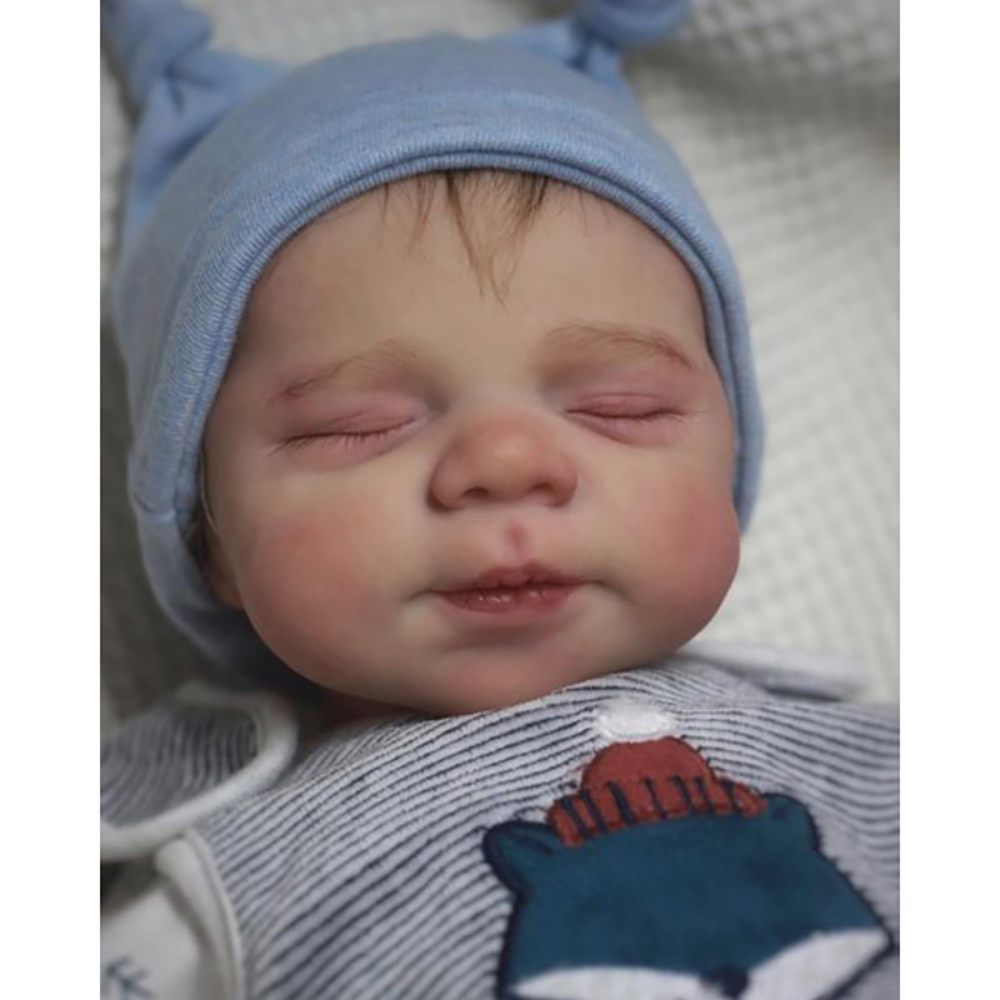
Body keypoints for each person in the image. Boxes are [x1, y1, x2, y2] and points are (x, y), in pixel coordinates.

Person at [100, 1, 899, 997]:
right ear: (206, 533)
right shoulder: (227, 867)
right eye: (356, 425)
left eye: (621, 408)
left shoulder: (862, 746)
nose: (507, 461)